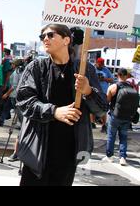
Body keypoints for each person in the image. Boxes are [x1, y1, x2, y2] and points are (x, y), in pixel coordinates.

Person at [16, 24, 107, 186]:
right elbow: (24, 101)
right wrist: (55, 112)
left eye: (50, 35)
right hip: (37, 150)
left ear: (66, 40)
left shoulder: (85, 69)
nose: (45, 39)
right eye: (42, 36)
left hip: (70, 152)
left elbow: (101, 109)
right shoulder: (36, 67)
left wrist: (88, 91)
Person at [103, 68, 138, 166]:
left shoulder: (113, 87)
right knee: (123, 137)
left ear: (117, 75)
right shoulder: (132, 88)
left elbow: (107, 101)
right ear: (126, 76)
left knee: (111, 136)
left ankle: (109, 156)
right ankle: (122, 157)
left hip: (115, 115)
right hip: (127, 117)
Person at [94, 57, 114, 132]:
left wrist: (104, 79)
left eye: (102, 64)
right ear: (97, 63)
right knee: (92, 107)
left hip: (104, 92)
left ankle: (104, 125)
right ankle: (92, 123)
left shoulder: (106, 70)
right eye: (100, 64)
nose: (101, 66)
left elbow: (112, 80)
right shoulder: (93, 69)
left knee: (103, 108)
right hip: (94, 92)